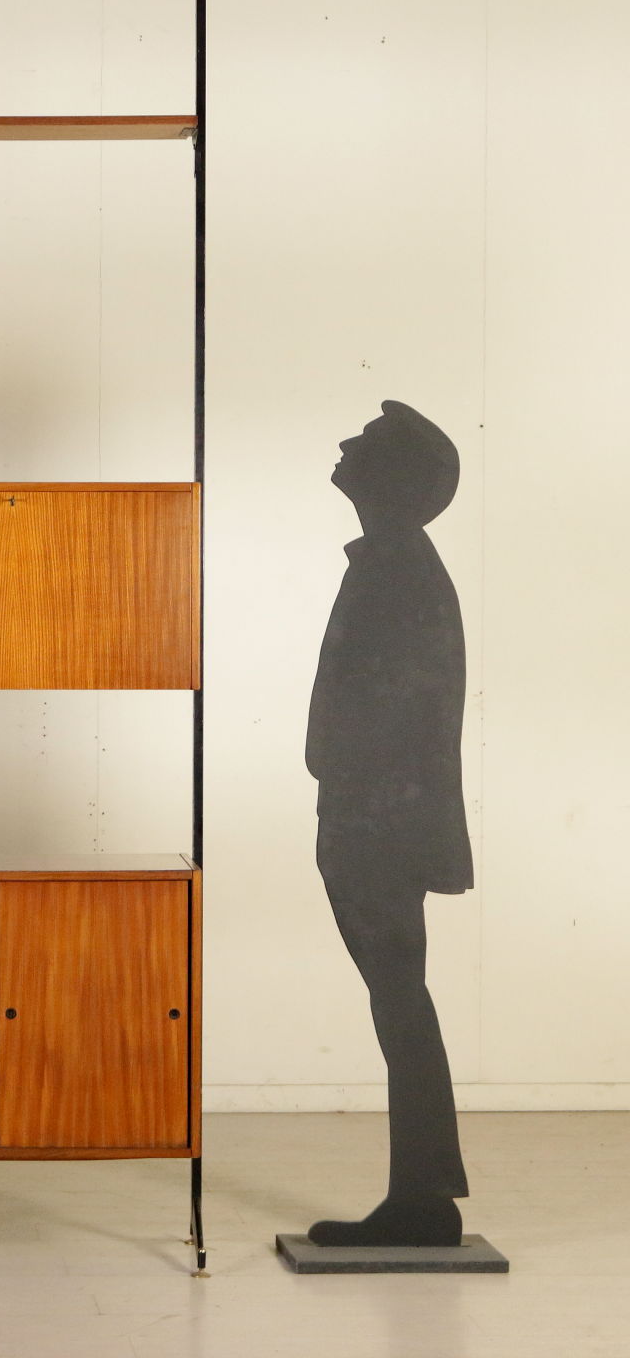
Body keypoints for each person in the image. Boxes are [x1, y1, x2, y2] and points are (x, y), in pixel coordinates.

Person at [305, 399, 471, 1247]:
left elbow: (406, 712)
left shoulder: (399, 570)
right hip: (373, 817)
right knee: (399, 998)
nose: (346, 444)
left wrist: (356, 804)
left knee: (399, 999)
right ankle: (424, 1191)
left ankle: (423, 1199)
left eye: (367, 443)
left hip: (380, 824)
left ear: (397, 479)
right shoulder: (394, 563)